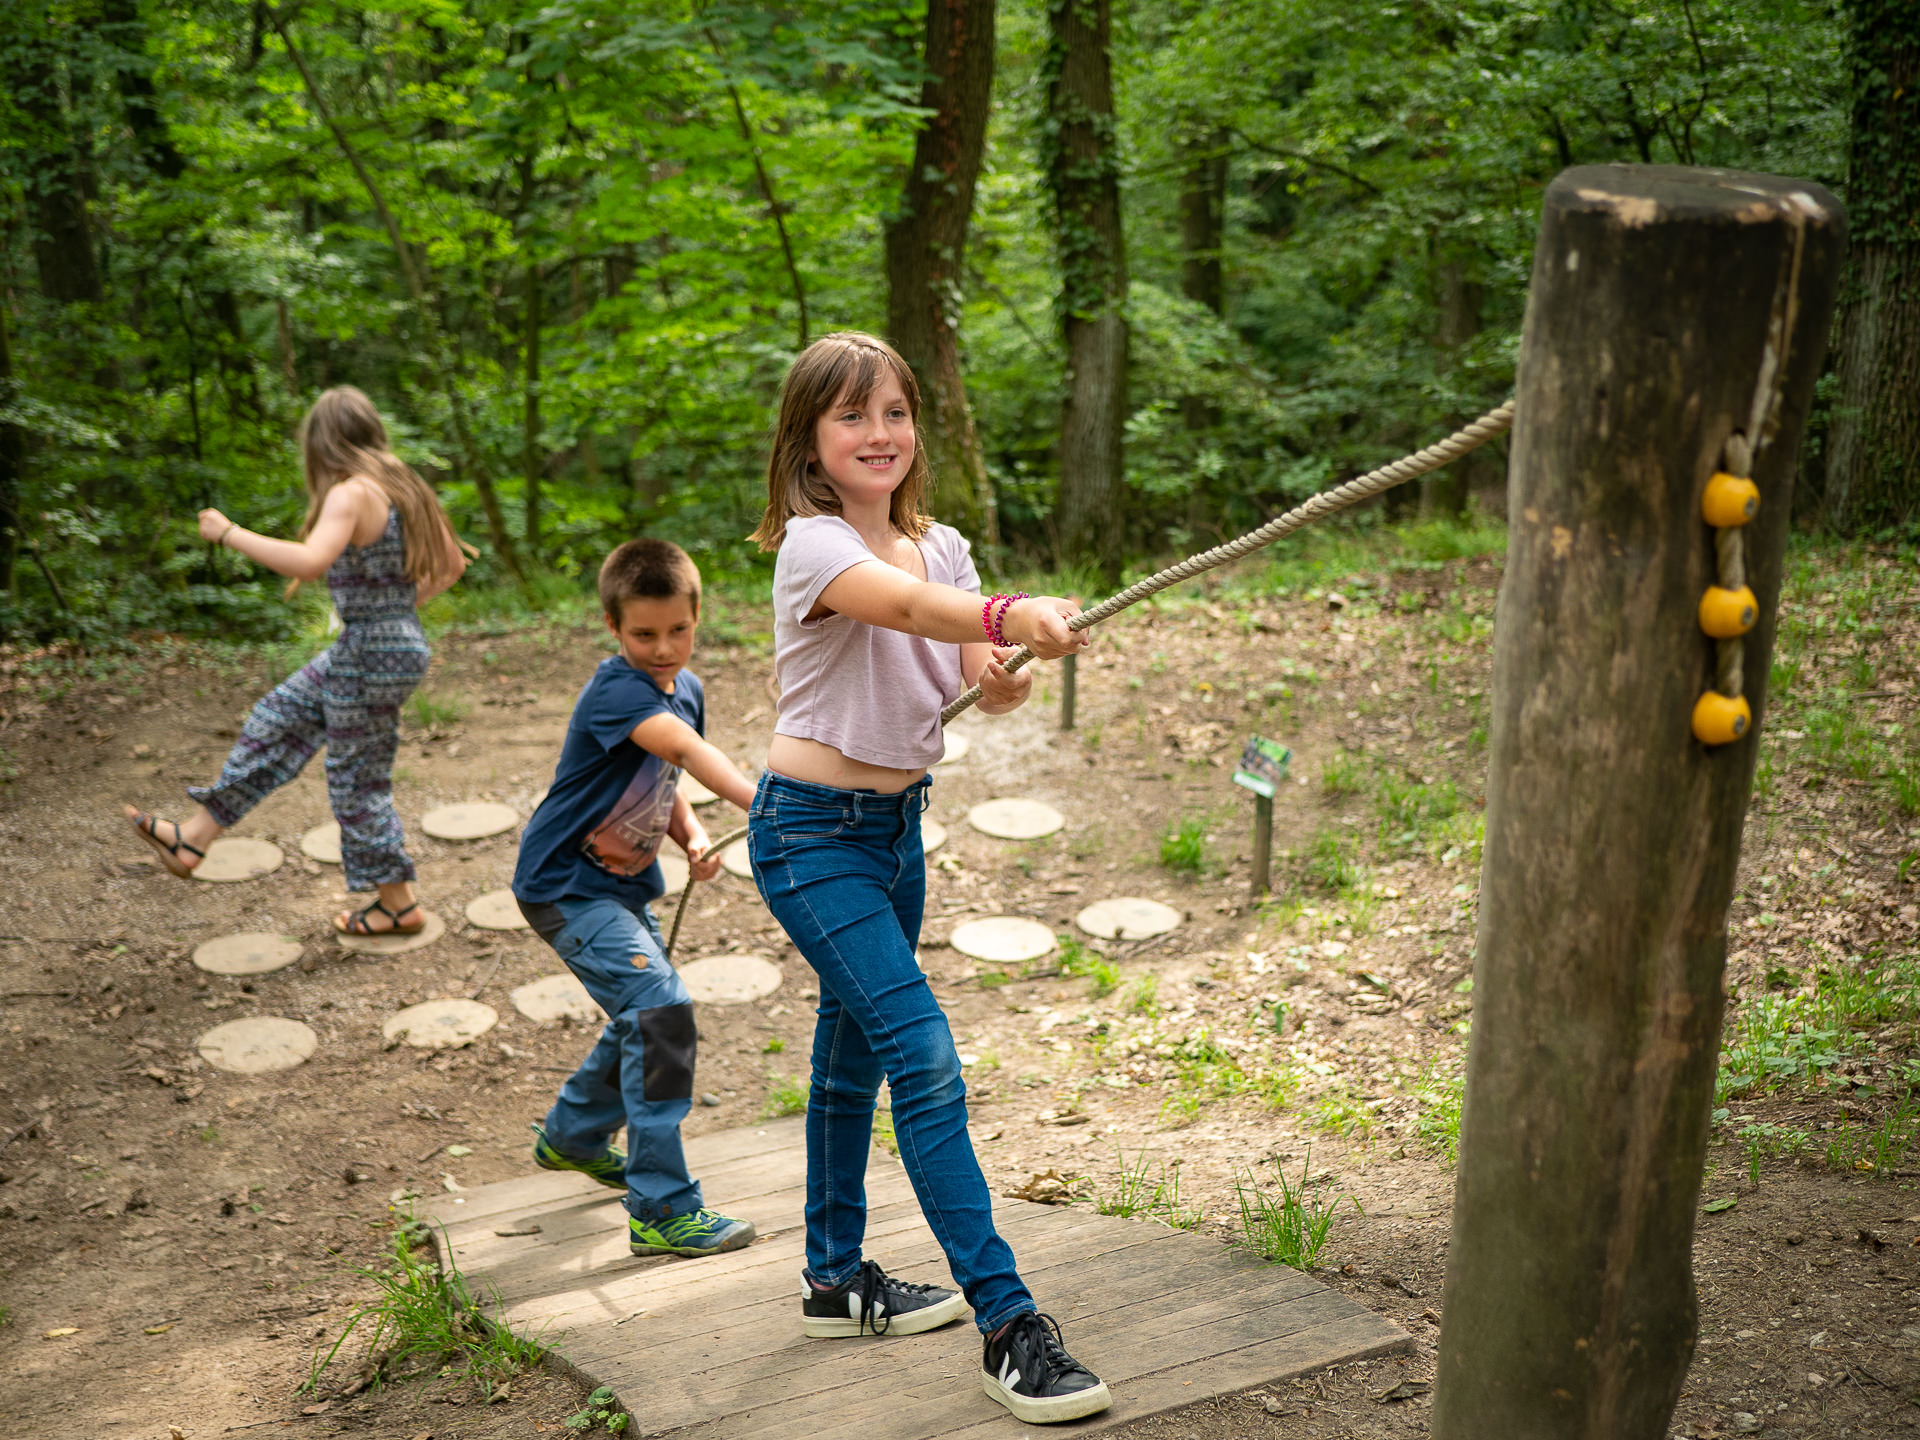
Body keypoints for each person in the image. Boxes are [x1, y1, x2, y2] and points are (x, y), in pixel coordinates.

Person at [746, 332, 1109, 1424]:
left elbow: (970, 667)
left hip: (897, 836)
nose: (880, 434)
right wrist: (1007, 615)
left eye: (896, 412)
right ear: (809, 437)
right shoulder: (813, 547)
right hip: (809, 837)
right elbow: (904, 612)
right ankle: (1009, 1324)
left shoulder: (942, 547)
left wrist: (1005, 669)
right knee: (923, 1054)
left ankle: (832, 1279)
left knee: (851, 1056)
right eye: (852, 415)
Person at [124, 385, 467, 935]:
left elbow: (310, 562)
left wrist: (229, 533)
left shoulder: (352, 492)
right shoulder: (404, 483)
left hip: (368, 653)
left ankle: (399, 905)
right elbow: (452, 567)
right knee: (278, 718)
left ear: (321, 444)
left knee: (357, 780)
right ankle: (194, 837)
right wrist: (396, 613)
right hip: (382, 645)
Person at [511, 537, 760, 1259]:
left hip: (621, 888)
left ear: (697, 618)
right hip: (566, 885)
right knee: (660, 1011)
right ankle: (661, 1209)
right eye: (644, 634)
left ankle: (573, 1136)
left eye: (678, 629)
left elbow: (664, 775)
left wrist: (691, 835)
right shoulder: (617, 690)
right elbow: (685, 753)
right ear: (613, 628)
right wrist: (765, 801)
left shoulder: (687, 689)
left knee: (644, 1014)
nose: (663, 648)